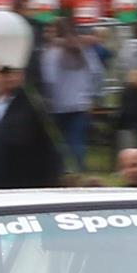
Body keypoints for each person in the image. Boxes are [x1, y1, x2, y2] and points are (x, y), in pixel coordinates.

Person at [0, 61, 61, 191]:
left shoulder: (33, 107)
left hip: (19, 184)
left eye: (12, 72)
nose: (8, 77)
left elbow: (48, 151)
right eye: (3, 73)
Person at [38, 22, 108, 172]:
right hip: (81, 104)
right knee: (77, 142)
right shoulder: (84, 51)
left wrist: (48, 98)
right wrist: (92, 95)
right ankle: (77, 173)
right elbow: (97, 73)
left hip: (58, 105)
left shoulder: (52, 53)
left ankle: (60, 173)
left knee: (58, 143)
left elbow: (49, 79)